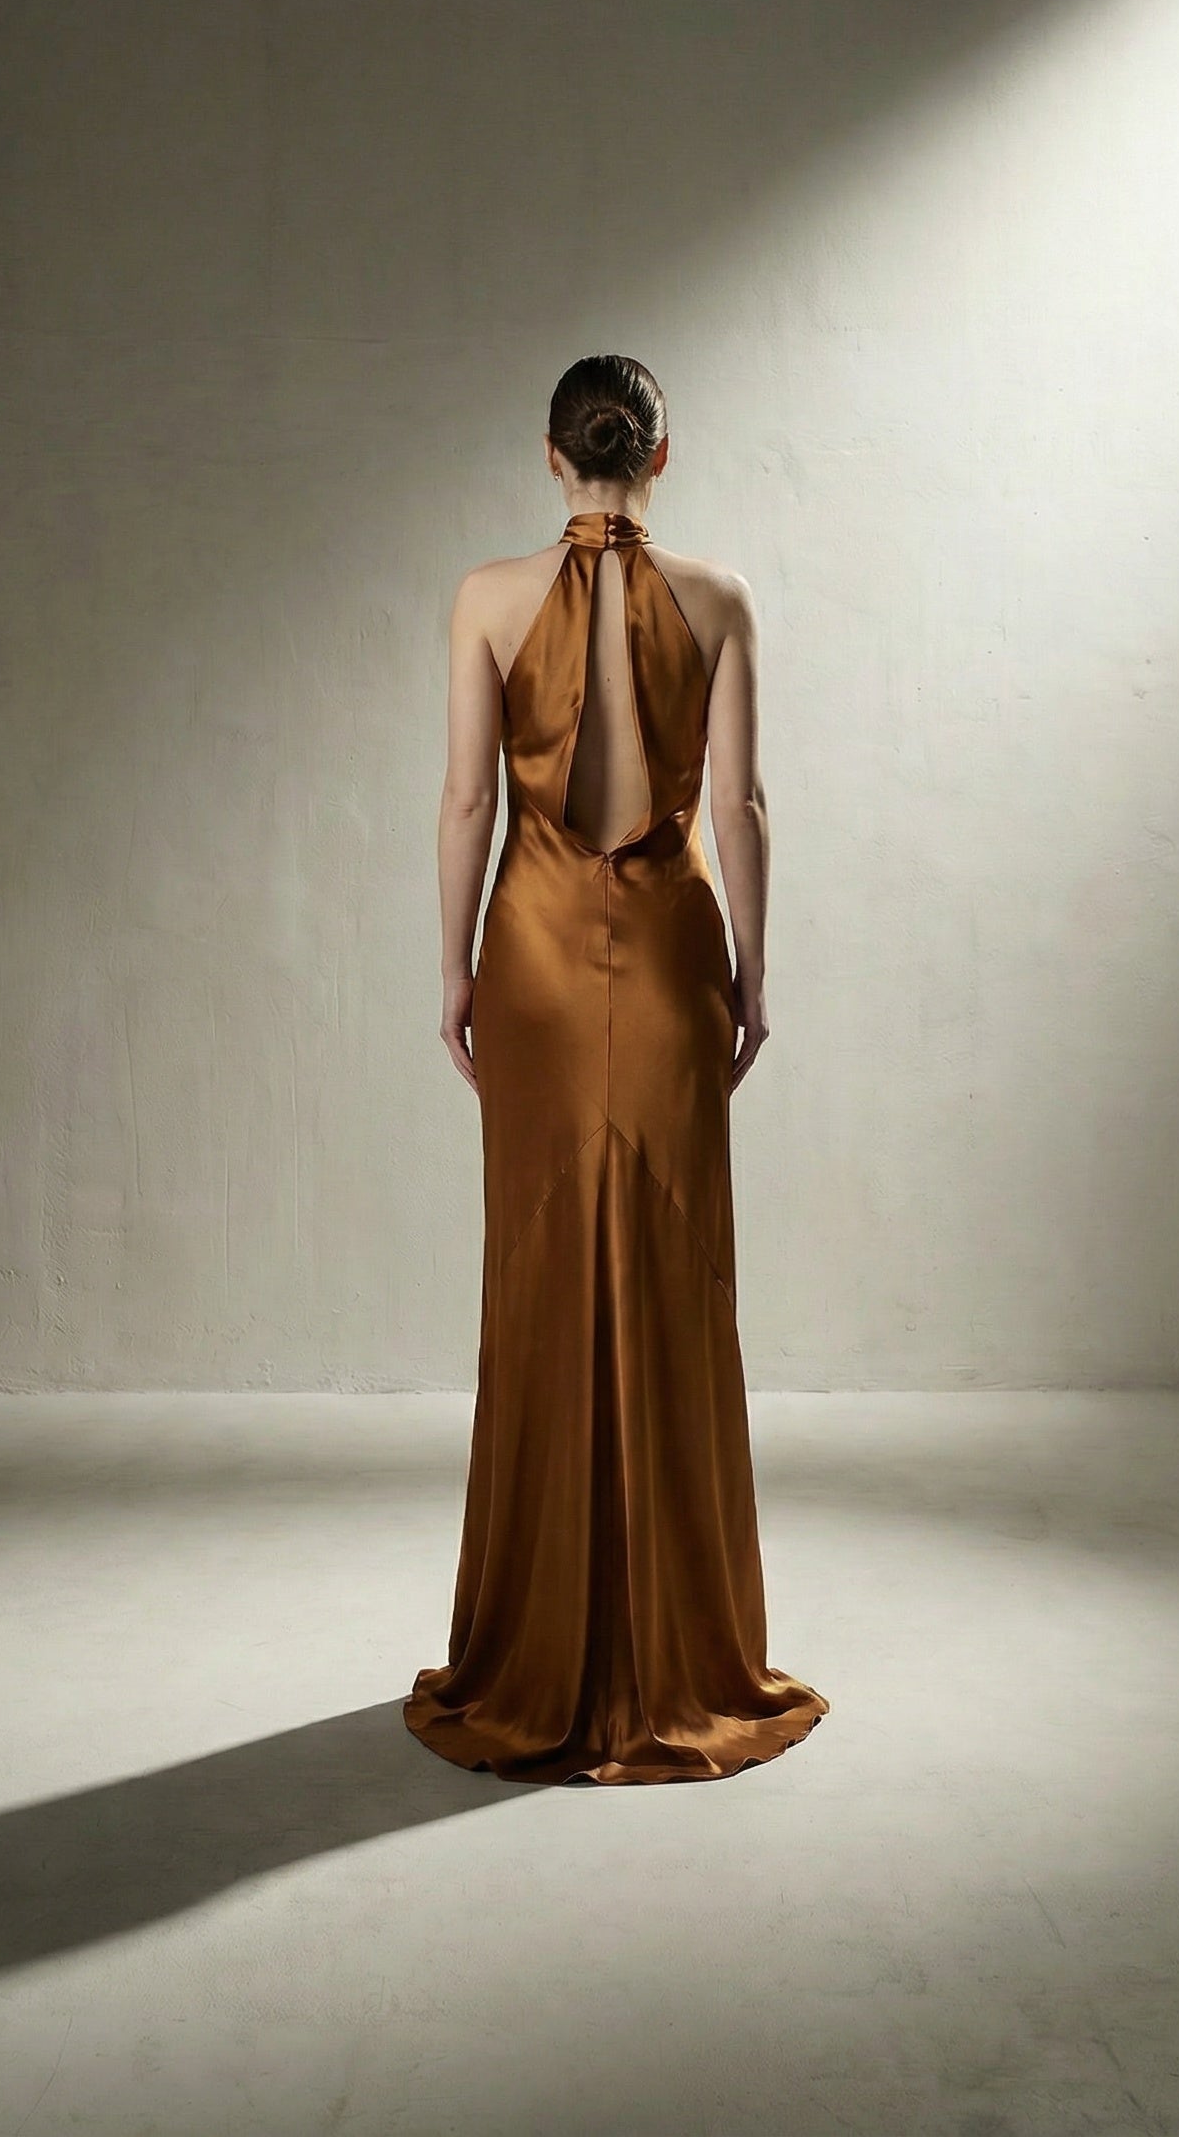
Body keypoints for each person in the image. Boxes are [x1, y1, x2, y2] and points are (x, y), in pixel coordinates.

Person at [403, 354, 829, 1784]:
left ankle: (534, 1658)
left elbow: (470, 797)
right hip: (665, 958)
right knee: (672, 1274)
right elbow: (748, 804)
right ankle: (679, 1657)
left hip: (525, 948)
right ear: (664, 451)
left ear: (550, 457)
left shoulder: (482, 599)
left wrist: (457, 968)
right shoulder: (720, 602)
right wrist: (753, 975)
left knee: (535, 1277)